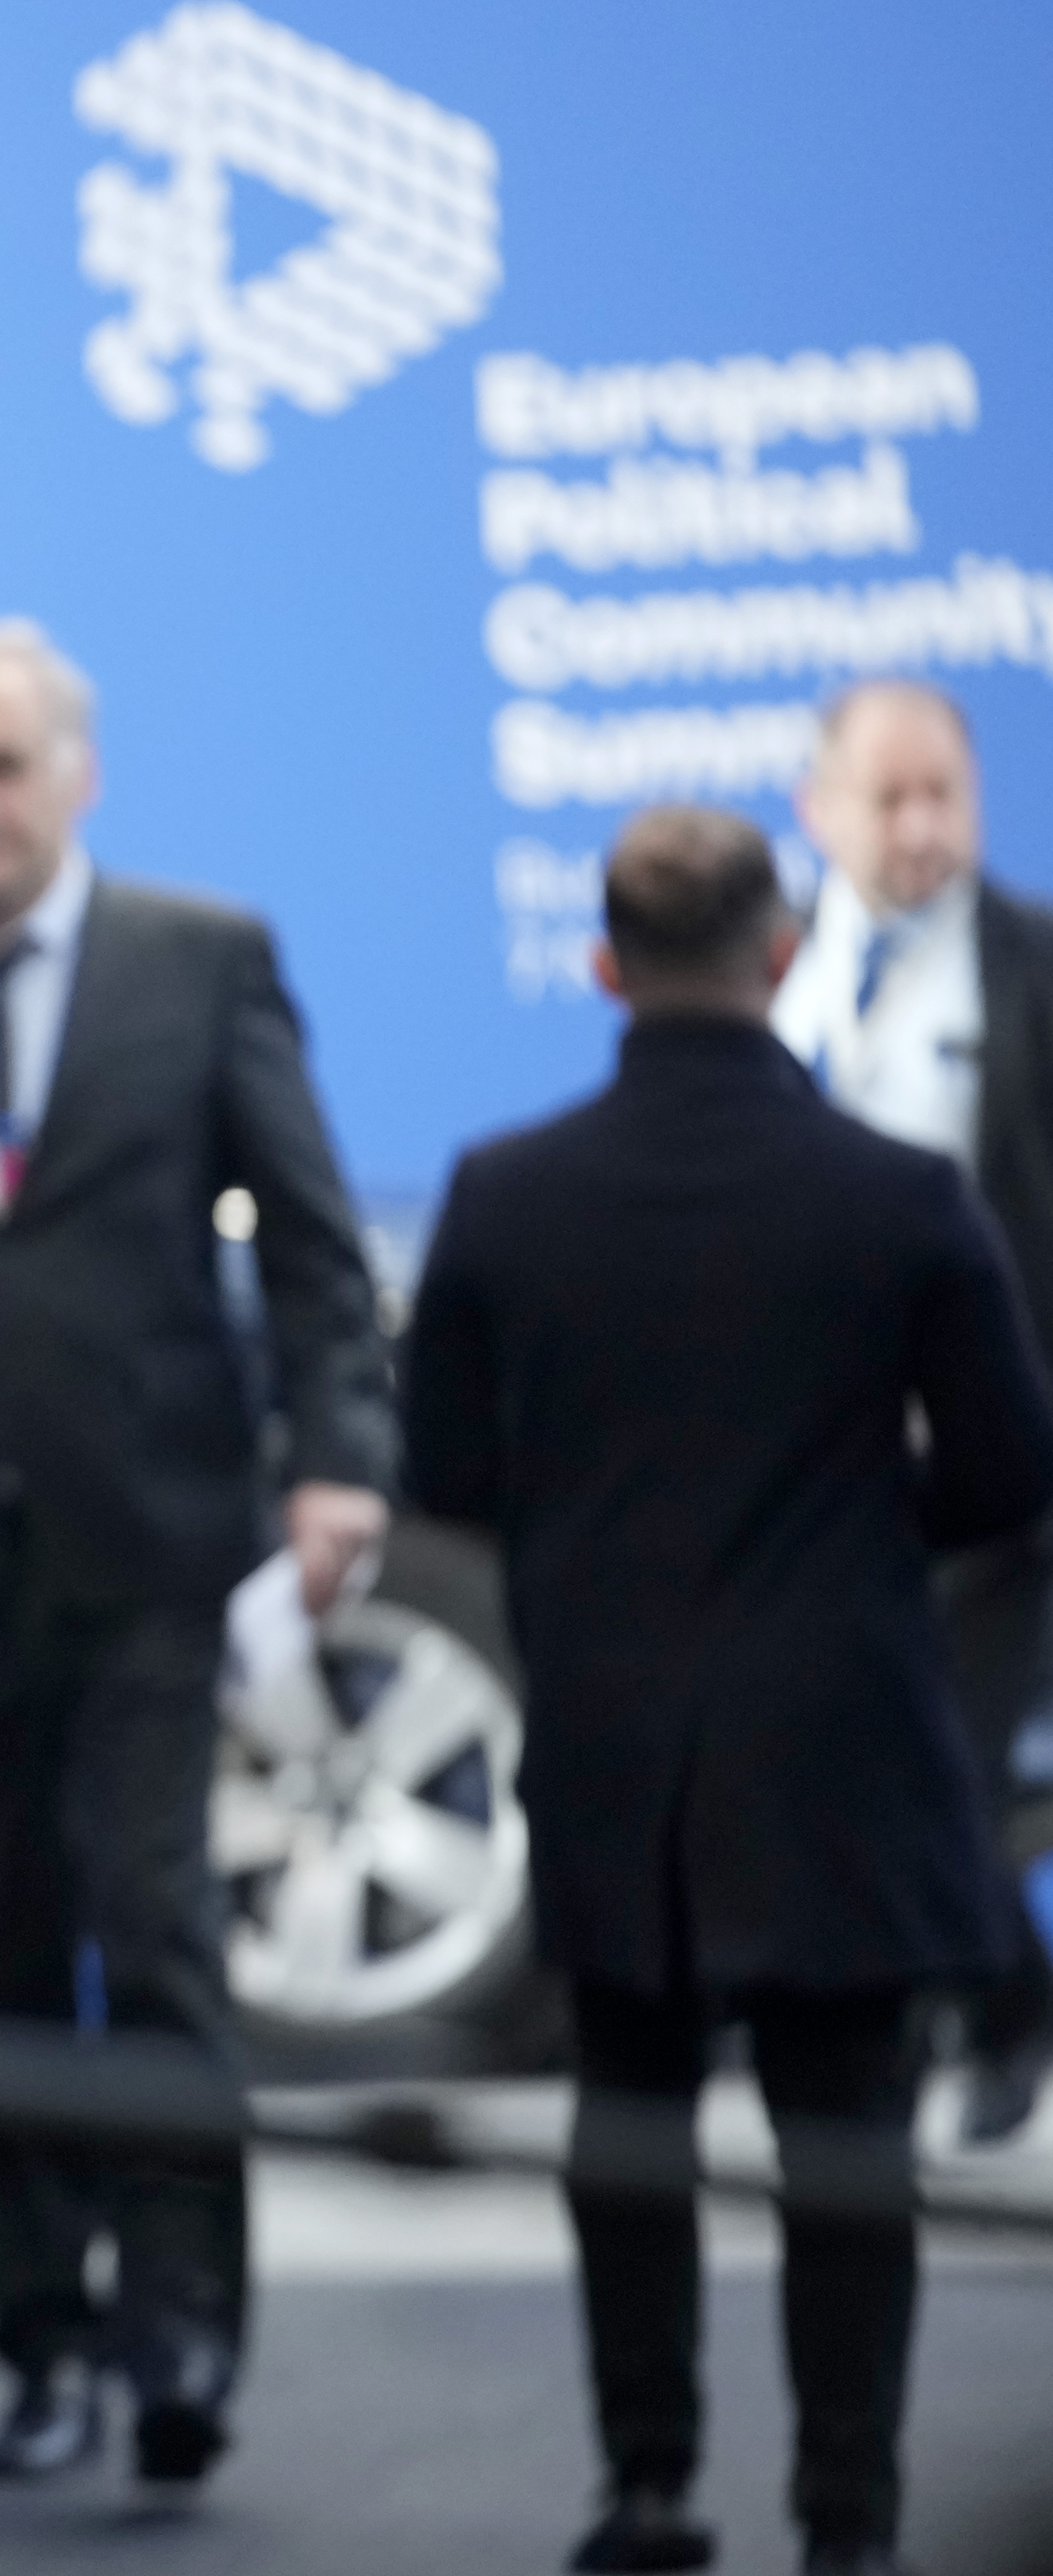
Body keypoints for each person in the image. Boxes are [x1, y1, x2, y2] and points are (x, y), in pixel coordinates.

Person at [0, 617, 393, 2490]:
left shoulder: (201, 959)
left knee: (156, 1927)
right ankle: (42, 2334)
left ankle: (183, 2327)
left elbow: (317, 1241)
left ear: (73, 774)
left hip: (151, 1538)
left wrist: (337, 1455)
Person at [400, 802, 1053, 2576]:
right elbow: (1006, 1475)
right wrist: (855, 1529)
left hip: (614, 1736)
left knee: (625, 2126)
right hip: (837, 1736)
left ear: (599, 965)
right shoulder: (896, 1195)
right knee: (843, 2146)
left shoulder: (498, 1192)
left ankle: (645, 2482)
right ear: (778, 955)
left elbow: (444, 1473)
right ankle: (844, 2513)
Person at [771, 678, 1053, 2146]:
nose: (922, 825)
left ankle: (1005, 2006)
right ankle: (922, 2018)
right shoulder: (759, 971)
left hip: (995, 1467)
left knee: (945, 1753)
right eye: (888, 795)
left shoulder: (1034, 967)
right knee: (840, 1770)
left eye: (945, 791)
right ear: (816, 805)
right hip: (807, 1471)